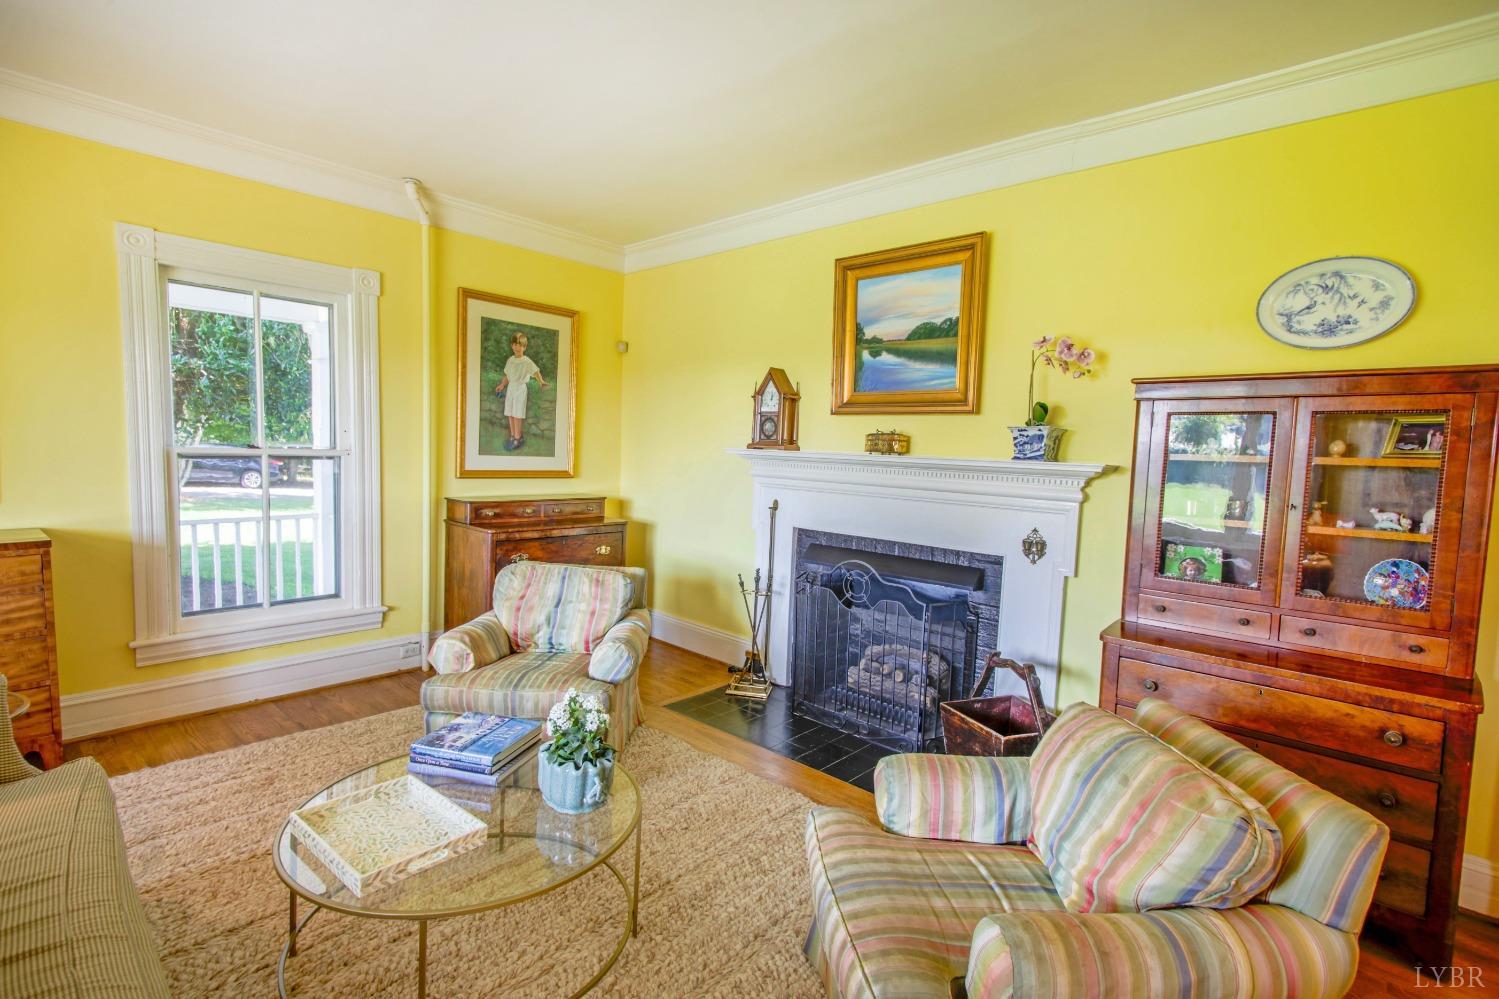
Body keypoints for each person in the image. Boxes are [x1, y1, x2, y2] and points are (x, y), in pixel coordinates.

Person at [493, 332, 547, 451]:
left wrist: (541, 381)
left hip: (520, 389)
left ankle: (518, 438)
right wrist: (502, 385)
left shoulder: (527, 361)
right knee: (510, 413)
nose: (517, 347)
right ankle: (512, 436)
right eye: (515, 344)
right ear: (512, 346)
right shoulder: (510, 360)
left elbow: (535, 371)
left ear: (524, 347)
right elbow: (507, 375)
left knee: (517, 414)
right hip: (511, 388)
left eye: (520, 345)